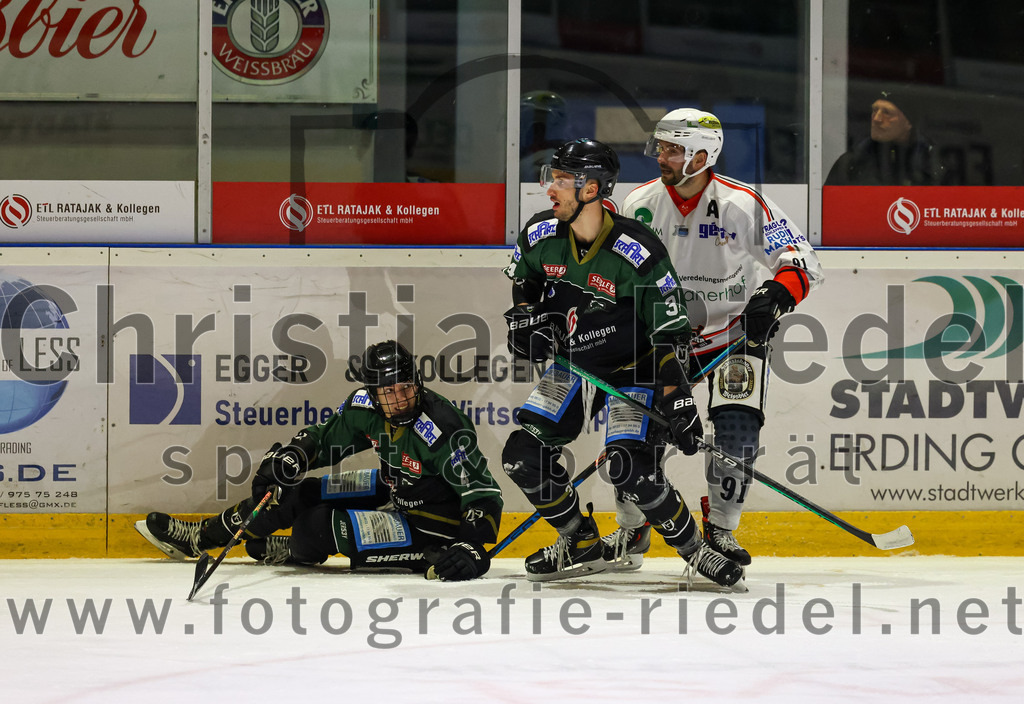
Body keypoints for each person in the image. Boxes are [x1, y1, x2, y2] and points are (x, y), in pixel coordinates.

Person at [501, 137, 745, 588]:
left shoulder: (637, 250)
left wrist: (677, 401)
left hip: (636, 368)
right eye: (551, 178)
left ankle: (695, 551)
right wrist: (526, 317)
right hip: (576, 365)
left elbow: (669, 334)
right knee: (522, 455)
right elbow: (526, 281)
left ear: (591, 189)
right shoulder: (540, 234)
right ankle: (578, 540)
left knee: (629, 467)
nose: (549, 190)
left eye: (560, 181)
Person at [607, 109, 824, 572]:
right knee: (634, 435)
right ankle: (633, 527)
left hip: (731, 336)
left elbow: (803, 261)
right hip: (658, 343)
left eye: (673, 149)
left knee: (738, 429)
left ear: (702, 155)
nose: (661, 156)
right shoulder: (639, 202)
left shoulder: (742, 204)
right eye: (660, 146)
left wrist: (774, 296)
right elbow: (612, 274)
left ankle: (721, 529)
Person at [136, 340, 503, 582]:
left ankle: (296, 548)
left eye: (405, 387)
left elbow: (483, 495)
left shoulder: (444, 428)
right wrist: (291, 458)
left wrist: (472, 545)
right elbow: (326, 438)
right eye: (387, 392)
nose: (399, 399)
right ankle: (200, 537)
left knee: (315, 525)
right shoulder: (365, 408)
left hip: (432, 527)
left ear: (417, 383)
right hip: (395, 488)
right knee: (294, 494)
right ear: (373, 394)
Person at [825, 88, 944, 185]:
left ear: (908, 122)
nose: (876, 119)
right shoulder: (850, 163)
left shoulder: (933, 161)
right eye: (875, 110)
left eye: (887, 112)